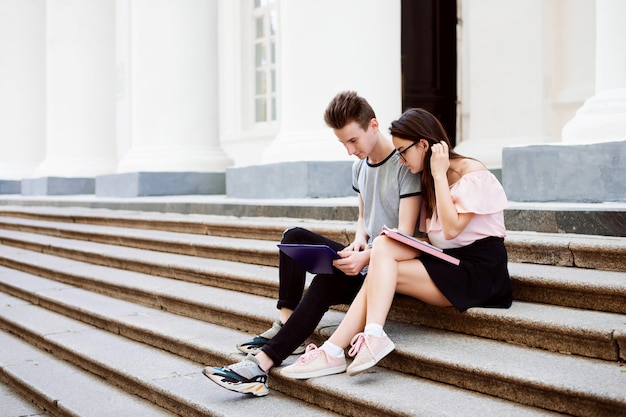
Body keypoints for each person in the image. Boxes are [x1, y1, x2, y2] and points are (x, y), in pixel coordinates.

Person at [203, 91, 423, 396]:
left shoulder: (404, 167)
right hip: (366, 257)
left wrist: (368, 256)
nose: (349, 151)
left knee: (323, 283)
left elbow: (406, 237)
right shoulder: (359, 167)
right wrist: (360, 241)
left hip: (387, 270)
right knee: (293, 237)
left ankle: (259, 366)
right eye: (343, 143)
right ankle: (286, 324)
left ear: (373, 125)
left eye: (353, 141)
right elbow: (364, 216)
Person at [280, 107, 512, 380]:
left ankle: (341, 348)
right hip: (451, 264)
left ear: (423, 145)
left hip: (481, 273)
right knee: (383, 252)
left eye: (403, 151)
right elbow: (430, 238)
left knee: (382, 253)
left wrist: (439, 174)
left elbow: (450, 229)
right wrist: (375, 248)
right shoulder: (427, 179)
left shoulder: (473, 173)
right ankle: (342, 347)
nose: (399, 159)